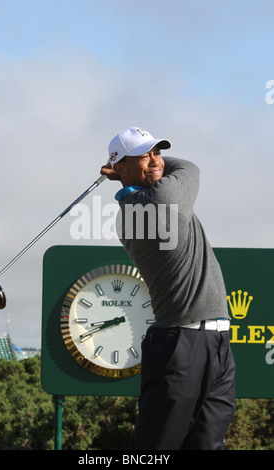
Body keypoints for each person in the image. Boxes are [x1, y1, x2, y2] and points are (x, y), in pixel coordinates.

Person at [100, 127, 236, 450]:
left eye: (157, 152)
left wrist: (124, 167)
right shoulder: (157, 202)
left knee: (207, 445)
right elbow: (190, 167)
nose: (155, 161)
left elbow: (166, 169)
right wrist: (118, 169)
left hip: (215, 342)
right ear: (120, 168)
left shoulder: (148, 199)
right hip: (180, 344)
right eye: (144, 156)